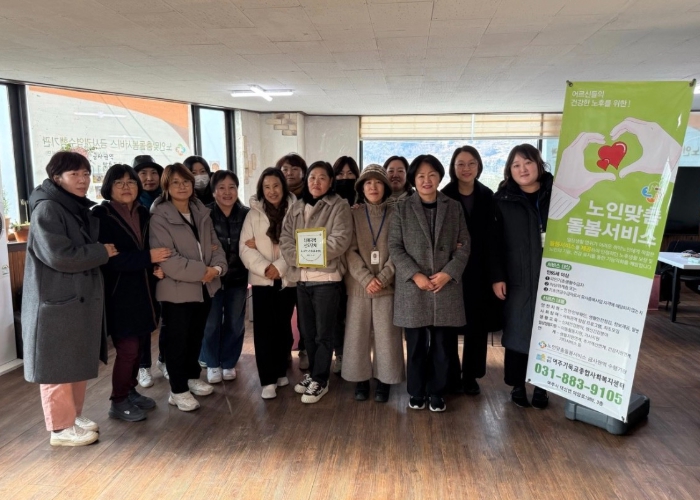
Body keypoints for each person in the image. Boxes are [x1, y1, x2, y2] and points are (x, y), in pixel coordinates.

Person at [22, 151, 117, 446]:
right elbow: (59, 256)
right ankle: (60, 429)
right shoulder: (47, 208)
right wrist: (101, 251)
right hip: (55, 302)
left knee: (75, 361)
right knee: (57, 366)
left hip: (73, 300)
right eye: (74, 174)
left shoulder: (72, 206)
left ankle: (73, 416)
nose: (83, 180)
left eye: (86, 174)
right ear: (57, 178)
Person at [388, 154, 470, 413]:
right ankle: (416, 391)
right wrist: (415, 275)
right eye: (421, 176)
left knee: (443, 345)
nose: (426, 180)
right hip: (414, 287)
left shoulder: (453, 207)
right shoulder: (401, 208)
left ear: (440, 177)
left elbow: (465, 245)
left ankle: (437, 392)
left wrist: (448, 273)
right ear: (413, 179)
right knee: (415, 345)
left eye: (432, 175)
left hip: (446, 286)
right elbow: (395, 247)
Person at [92, 164, 169, 422]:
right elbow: (110, 260)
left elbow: (149, 250)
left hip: (145, 292)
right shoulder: (101, 215)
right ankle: (118, 400)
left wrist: (154, 267)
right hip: (119, 295)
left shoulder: (144, 213)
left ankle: (130, 390)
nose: (126, 187)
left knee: (141, 346)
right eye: (119, 182)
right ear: (109, 187)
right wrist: (147, 258)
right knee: (128, 349)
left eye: (131, 182)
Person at [149, 163, 227, 412]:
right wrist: (204, 271)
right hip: (176, 289)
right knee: (177, 340)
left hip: (205, 287)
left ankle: (192, 377)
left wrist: (217, 269)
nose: (182, 186)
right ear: (166, 186)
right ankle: (178, 390)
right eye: (175, 182)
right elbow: (168, 258)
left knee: (195, 336)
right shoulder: (160, 215)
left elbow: (215, 246)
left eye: (186, 181)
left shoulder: (200, 210)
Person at [280, 161, 352, 404]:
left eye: (322, 178)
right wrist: (301, 257)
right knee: (308, 333)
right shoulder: (297, 206)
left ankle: (321, 380)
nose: (316, 182)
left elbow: (340, 240)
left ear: (330, 182)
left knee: (324, 334)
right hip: (301, 280)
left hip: (327, 280)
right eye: (312, 177)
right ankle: (313, 373)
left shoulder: (339, 205)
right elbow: (285, 239)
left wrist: (307, 256)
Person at [491, 144, 553, 410]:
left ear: (539, 164)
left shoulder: (558, 195)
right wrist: (497, 276)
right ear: (509, 170)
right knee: (518, 329)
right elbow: (493, 243)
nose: (523, 169)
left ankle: (542, 386)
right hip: (516, 277)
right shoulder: (502, 200)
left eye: (527, 162)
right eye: (516, 165)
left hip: (553, 277)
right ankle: (517, 384)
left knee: (548, 331)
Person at [441, 146, 501, 396]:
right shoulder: (444, 195)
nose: (466, 168)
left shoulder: (488, 195)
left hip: (480, 270)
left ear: (479, 166)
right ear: (453, 168)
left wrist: (497, 276)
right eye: (461, 164)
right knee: (448, 327)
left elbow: (495, 238)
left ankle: (471, 376)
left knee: (477, 326)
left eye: (471, 163)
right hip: (450, 270)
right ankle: (451, 374)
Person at [342, 164, 405, 402]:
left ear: (386, 187)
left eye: (378, 182)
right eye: (368, 182)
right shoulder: (354, 213)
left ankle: (384, 380)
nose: (373, 187)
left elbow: (399, 250)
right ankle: (360, 379)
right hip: (359, 285)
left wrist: (384, 277)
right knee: (357, 335)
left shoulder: (397, 214)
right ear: (361, 187)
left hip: (387, 286)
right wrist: (367, 278)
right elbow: (349, 250)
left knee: (387, 336)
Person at [240, 168, 297, 399]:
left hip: (287, 278)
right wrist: (266, 268)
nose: (272, 191)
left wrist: (279, 267)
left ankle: (281, 370)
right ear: (261, 189)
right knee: (264, 330)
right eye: (267, 187)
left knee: (283, 327)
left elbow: (299, 243)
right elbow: (244, 247)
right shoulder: (253, 214)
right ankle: (267, 380)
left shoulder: (296, 210)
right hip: (262, 280)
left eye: (276, 186)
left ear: (283, 186)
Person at [200, 170, 250, 384]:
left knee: (234, 322)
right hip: (211, 279)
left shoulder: (247, 214)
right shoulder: (204, 214)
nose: (227, 192)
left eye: (232, 187)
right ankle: (212, 363)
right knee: (210, 323)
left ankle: (229, 362)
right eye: (221, 188)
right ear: (213, 192)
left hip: (238, 278)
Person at [131, 154, 164, 388]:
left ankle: (164, 360)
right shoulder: (132, 204)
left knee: (168, 318)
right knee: (144, 320)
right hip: (141, 270)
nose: (149, 178)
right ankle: (144, 366)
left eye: (154, 173)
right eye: (143, 173)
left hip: (166, 268)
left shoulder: (167, 200)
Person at [275, 153, 309, 369]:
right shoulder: (274, 195)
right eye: (285, 169)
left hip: (307, 264)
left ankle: (305, 349)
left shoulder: (310, 195)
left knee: (305, 314)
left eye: (295, 169)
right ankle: (285, 349)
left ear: (303, 172)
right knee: (283, 312)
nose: (290, 173)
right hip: (281, 263)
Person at [330, 156, 361, 375]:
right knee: (336, 314)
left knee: (355, 315)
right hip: (333, 267)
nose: (345, 178)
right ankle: (340, 354)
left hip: (359, 268)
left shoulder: (364, 199)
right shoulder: (329, 200)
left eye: (350, 174)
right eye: (340, 174)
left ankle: (356, 355)